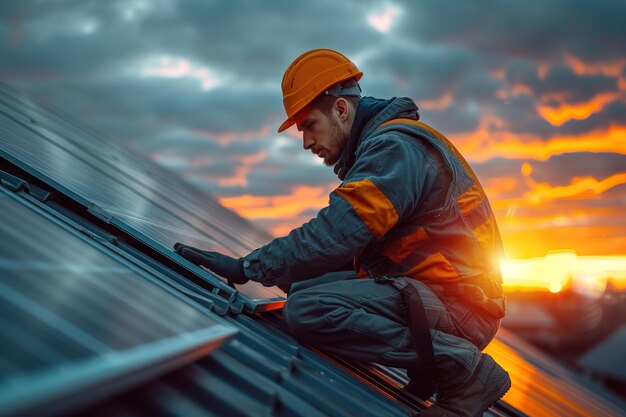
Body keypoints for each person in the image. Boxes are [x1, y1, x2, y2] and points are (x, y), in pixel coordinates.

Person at [174, 48, 511, 417]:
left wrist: (249, 267)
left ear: (340, 109)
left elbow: (339, 233)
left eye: (308, 125)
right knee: (303, 287)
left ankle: (466, 371)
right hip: (438, 292)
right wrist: (276, 271)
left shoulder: (393, 149)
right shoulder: (387, 144)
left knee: (307, 310)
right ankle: (430, 366)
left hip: (461, 307)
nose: (305, 142)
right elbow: (342, 245)